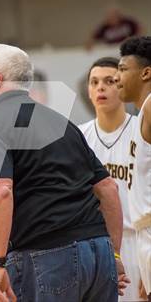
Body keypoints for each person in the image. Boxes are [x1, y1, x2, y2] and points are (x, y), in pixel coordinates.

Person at [0, 44, 129, 302]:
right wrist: (115, 254)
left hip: (45, 257)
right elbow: (108, 189)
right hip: (99, 254)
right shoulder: (62, 122)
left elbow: (0, 191)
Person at [79, 57, 147, 301]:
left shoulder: (142, 129)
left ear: (121, 86)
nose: (101, 87)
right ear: (88, 90)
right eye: (94, 82)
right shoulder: (79, 136)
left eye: (109, 81)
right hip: (93, 245)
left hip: (137, 241)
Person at [114, 36, 151, 301]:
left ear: (146, 72)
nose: (117, 77)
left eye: (123, 69)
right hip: (143, 235)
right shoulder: (142, 114)